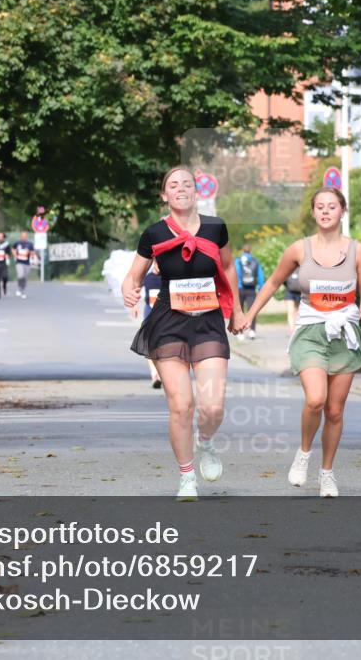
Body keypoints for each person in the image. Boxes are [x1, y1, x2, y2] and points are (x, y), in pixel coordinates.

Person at [236, 188, 361, 497]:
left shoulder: (358, 251)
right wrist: (249, 314)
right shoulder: (300, 249)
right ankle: (303, 453)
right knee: (316, 399)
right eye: (320, 207)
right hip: (311, 331)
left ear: (343, 211)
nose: (326, 212)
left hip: (344, 335)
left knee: (335, 411)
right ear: (313, 213)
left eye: (332, 207)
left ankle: (327, 473)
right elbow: (272, 282)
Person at [123, 165, 244, 500]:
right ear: (165, 195)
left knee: (213, 407)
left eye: (186, 184)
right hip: (168, 322)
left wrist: (237, 310)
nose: (180, 189)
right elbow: (133, 275)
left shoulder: (216, 228)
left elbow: (229, 265)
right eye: (173, 185)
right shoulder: (154, 233)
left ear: (196, 191)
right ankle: (187, 476)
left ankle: (205, 442)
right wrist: (128, 291)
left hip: (208, 321)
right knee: (181, 405)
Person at [129, 261, 164, 389]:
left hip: (164, 315)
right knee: (149, 346)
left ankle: (161, 374)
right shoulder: (148, 277)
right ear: (154, 261)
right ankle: (155, 374)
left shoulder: (167, 276)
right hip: (149, 313)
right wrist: (134, 305)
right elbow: (135, 287)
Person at [235, 243, 266, 340]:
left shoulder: (238, 260)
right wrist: (261, 288)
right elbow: (260, 276)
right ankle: (252, 331)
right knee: (252, 310)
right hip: (252, 289)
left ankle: (240, 333)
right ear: (250, 251)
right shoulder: (255, 261)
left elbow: (235, 274)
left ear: (243, 251)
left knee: (240, 311)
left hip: (240, 288)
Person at [13, 231, 37, 298]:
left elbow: (33, 252)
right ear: (21, 236)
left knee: (25, 278)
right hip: (19, 262)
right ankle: (19, 288)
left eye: (25, 236)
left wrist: (30, 253)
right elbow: (13, 250)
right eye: (22, 236)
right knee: (20, 275)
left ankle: (22, 290)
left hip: (27, 263)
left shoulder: (30, 244)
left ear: (27, 237)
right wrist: (15, 255)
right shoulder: (17, 243)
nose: (24, 237)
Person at [284, 267, 302, 333]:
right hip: (290, 292)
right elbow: (284, 280)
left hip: (300, 292)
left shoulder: (302, 267)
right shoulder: (289, 268)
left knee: (297, 311)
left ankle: (296, 327)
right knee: (290, 311)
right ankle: (291, 328)